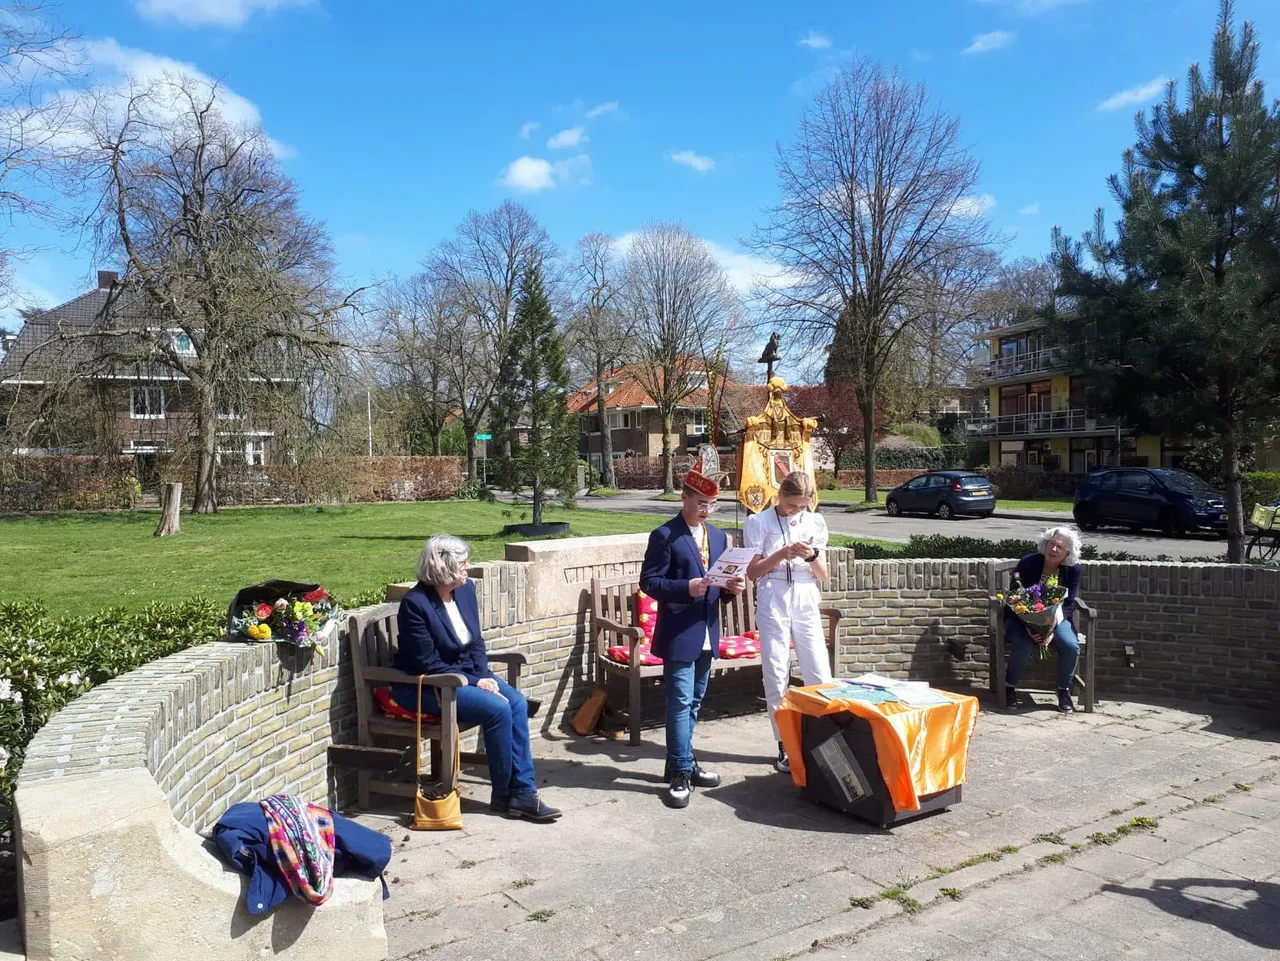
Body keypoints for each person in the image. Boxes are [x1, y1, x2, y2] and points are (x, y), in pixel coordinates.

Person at [393, 534, 561, 823]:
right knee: (497, 709)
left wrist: (482, 674)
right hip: (430, 685)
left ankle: (520, 792)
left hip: (466, 676)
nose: (468, 568)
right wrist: (473, 682)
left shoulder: (466, 590)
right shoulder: (415, 605)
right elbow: (427, 662)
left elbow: (475, 642)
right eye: (461, 564)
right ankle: (509, 793)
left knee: (517, 703)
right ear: (442, 567)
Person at [640, 469, 743, 808]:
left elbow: (718, 585)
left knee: (695, 701)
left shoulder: (716, 535)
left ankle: (679, 763)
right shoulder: (665, 535)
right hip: (679, 631)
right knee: (680, 702)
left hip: (708, 630)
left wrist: (731, 589)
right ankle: (683, 770)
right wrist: (687, 587)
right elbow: (650, 582)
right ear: (683, 498)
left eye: (712, 505)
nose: (706, 511)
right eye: (701, 503)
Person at [744, 470, 832, 773]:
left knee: (818, 668)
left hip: (806, 595)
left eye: (803, 506)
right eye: (793, 505)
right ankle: (784, 743)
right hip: (774, 594)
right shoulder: (759, 522)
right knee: (776, 669)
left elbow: (823, 575)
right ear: (781, 496)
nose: (798, 511)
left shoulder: (815, 522)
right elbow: (753, 573)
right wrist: (782, 553)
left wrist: (810, 556)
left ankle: (825, 736)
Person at [1003, 526, 1084, 714]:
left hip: (1057, 619)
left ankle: (1063, 689)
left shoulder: (1073, 570)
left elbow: (1069, 602)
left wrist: (1050, 630)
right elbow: (1015, 598)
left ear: (1067, 553)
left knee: (1071, 645)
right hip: (1019, 617)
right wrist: (1030, 628)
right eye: (1051, 544)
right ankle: (1010, 686)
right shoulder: (1028, 563)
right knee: (1024, 645)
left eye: (1060, 547)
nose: (1053, 550)